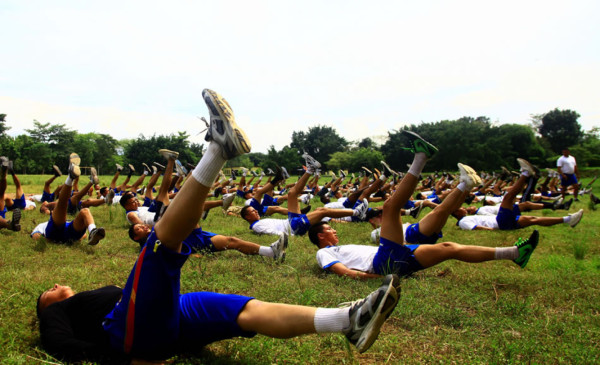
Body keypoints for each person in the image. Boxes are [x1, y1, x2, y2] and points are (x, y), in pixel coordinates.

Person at [36, 89, 400, 363]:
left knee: (247, 310)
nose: (54, 285)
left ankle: (346, 320)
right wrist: (121, 357)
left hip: (169, 313)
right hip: (125, 331)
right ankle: (217, 149)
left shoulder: (74, 301)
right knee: (159, 245)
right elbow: (59, 345)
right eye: (47, 291)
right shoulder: (55, 313)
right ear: (46, 305)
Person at [308, 131, 541, 280]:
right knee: (390, 208)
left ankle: (515, 253)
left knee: (449, 248)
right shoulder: (324, 253)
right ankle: (421, 157)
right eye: (329, 229)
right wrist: (385, 280)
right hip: (384, 263)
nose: (334, 229)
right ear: (320, 237)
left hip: (394, 257)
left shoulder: (336, 247)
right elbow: (346, 273)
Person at [240, 153, 368, 236]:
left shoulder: (259, 221)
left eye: (254, 210)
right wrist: (292, 235)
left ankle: (311, 169)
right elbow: (276, 233)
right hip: (294, 227)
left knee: (291, 194)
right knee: (322, 211)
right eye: (252, 211)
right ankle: (357, 212)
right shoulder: (257, 226)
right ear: (247, 217)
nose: (256, 212)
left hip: (291, 221)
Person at [455, 158, 584, 231]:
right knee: (508, 197)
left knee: (533, 219)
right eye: (461, 209)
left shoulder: (471, 215)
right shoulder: (463, 221)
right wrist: (498, 230)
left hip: (502, 221)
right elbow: (478, 228)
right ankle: (526, 174)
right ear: (457, 214)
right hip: (500, 223)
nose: (464, 208)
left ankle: (568, 220)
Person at [30, 154, 106, 245]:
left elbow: (83, 235)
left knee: (84, 210)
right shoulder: (42, 225)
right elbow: (36, 235)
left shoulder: (50, 219)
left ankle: (93, 231)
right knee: (65, 204)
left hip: (67, 230)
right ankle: (72, 177)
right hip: (56, 233)